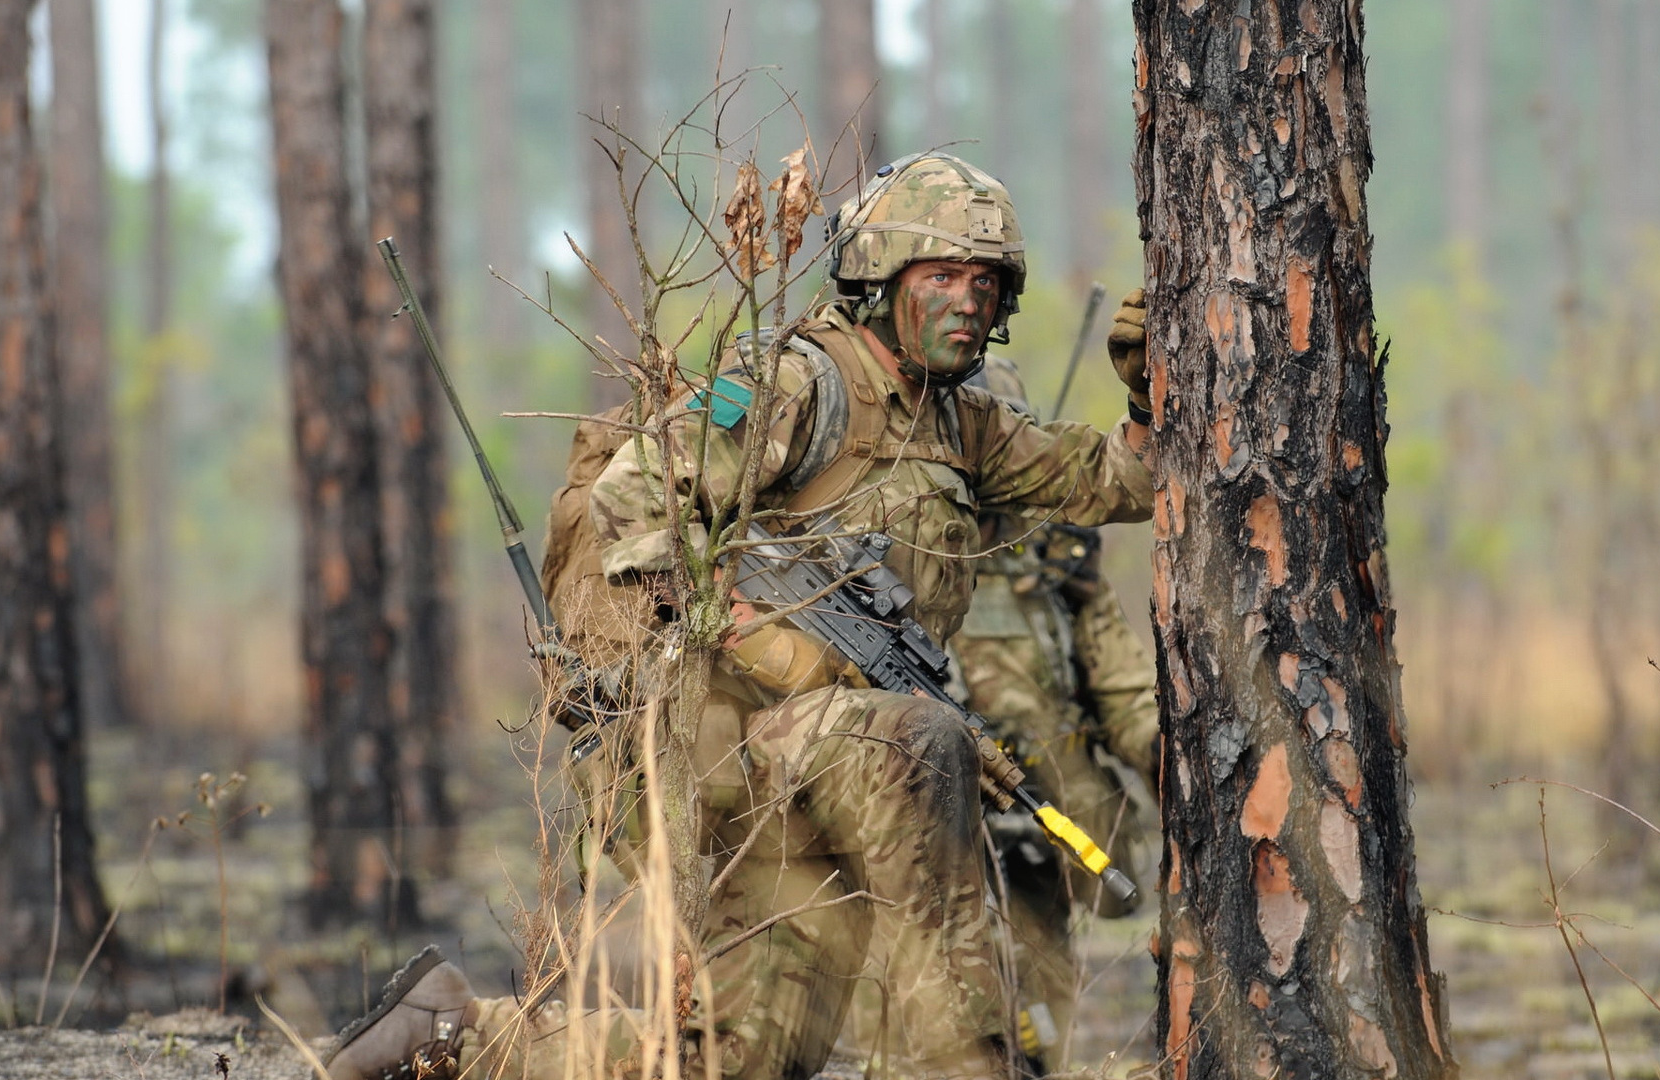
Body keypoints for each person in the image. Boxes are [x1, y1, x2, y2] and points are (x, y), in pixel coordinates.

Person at [323, 152, 1159, 1080]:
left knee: (731, 1061)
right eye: (941, 277)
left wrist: (1148, 397)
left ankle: (448, 1033)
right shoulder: (799, 381)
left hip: (831, 768)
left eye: (985, 282)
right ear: (881, 278)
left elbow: (1122, 480)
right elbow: (635, 504)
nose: (968, 301)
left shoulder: (961, 423)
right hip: (743, 745)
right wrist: (763, 636)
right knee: (924, 741)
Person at [955, 355, 1160, 1074]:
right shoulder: (889, 555)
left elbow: (1124, 685)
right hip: (924, 844)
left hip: (1041, 842)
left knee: (1038, 1038)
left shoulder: (1055, 565)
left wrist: (1166, 753)